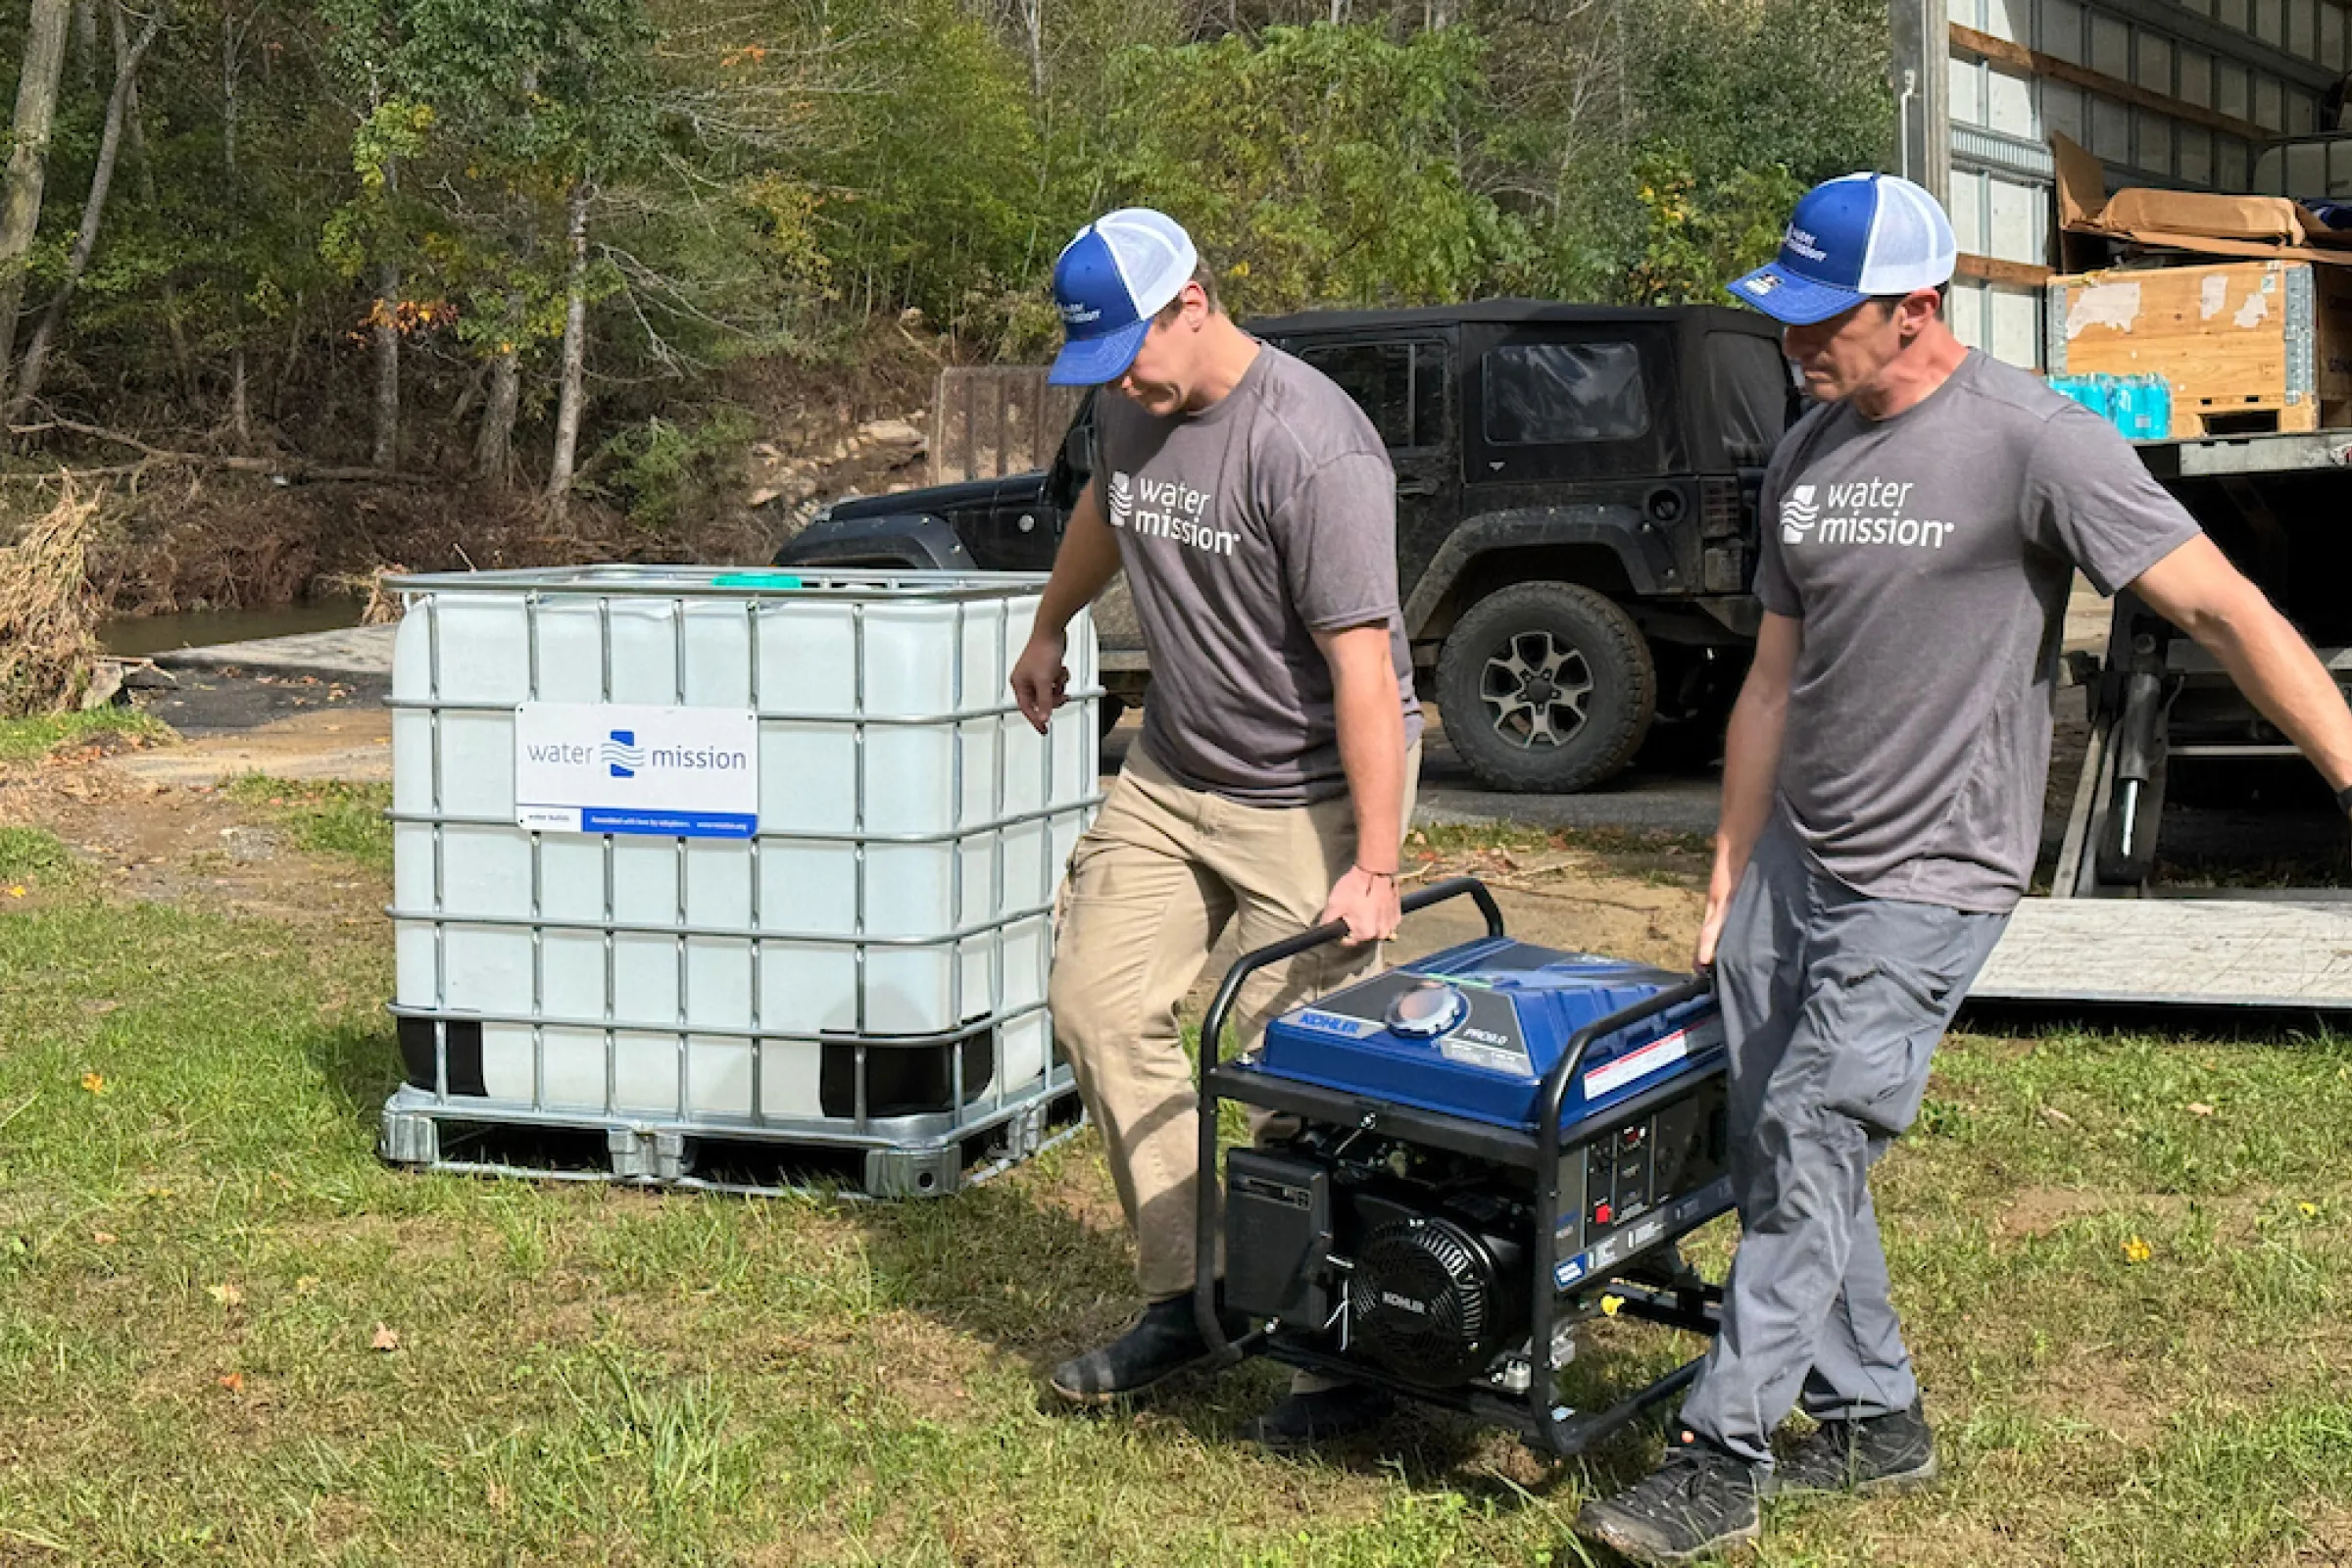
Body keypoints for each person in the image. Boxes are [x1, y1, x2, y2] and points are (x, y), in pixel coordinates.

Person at [1576, 172, 2352, 1565]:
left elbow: (2226, 610)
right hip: (1798, 864)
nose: (1796, 345)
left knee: (1817, 1134)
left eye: (1826, 321)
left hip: (1935, 873)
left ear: (1916, 310)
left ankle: (1719, 1455)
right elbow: (1771, 682)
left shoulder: (2032, 444)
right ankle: (1875, 1420)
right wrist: (1730, 862)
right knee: (1773, 1147)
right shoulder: (1809, 453)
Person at [1011, 208, 1423, 1446]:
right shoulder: (1133, 402)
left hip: (1307, 794)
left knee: (1301, 1068)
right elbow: (1106, 502)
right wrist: (1048, 625)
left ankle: (1341, 1360)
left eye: (1129, 351)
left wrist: (1379, 864)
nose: (1118, 383)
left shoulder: (1314, 449)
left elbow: (1367, 672)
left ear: (1194, 302)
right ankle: (1191, 1294)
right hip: (1170, 774)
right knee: (1096, 1006)